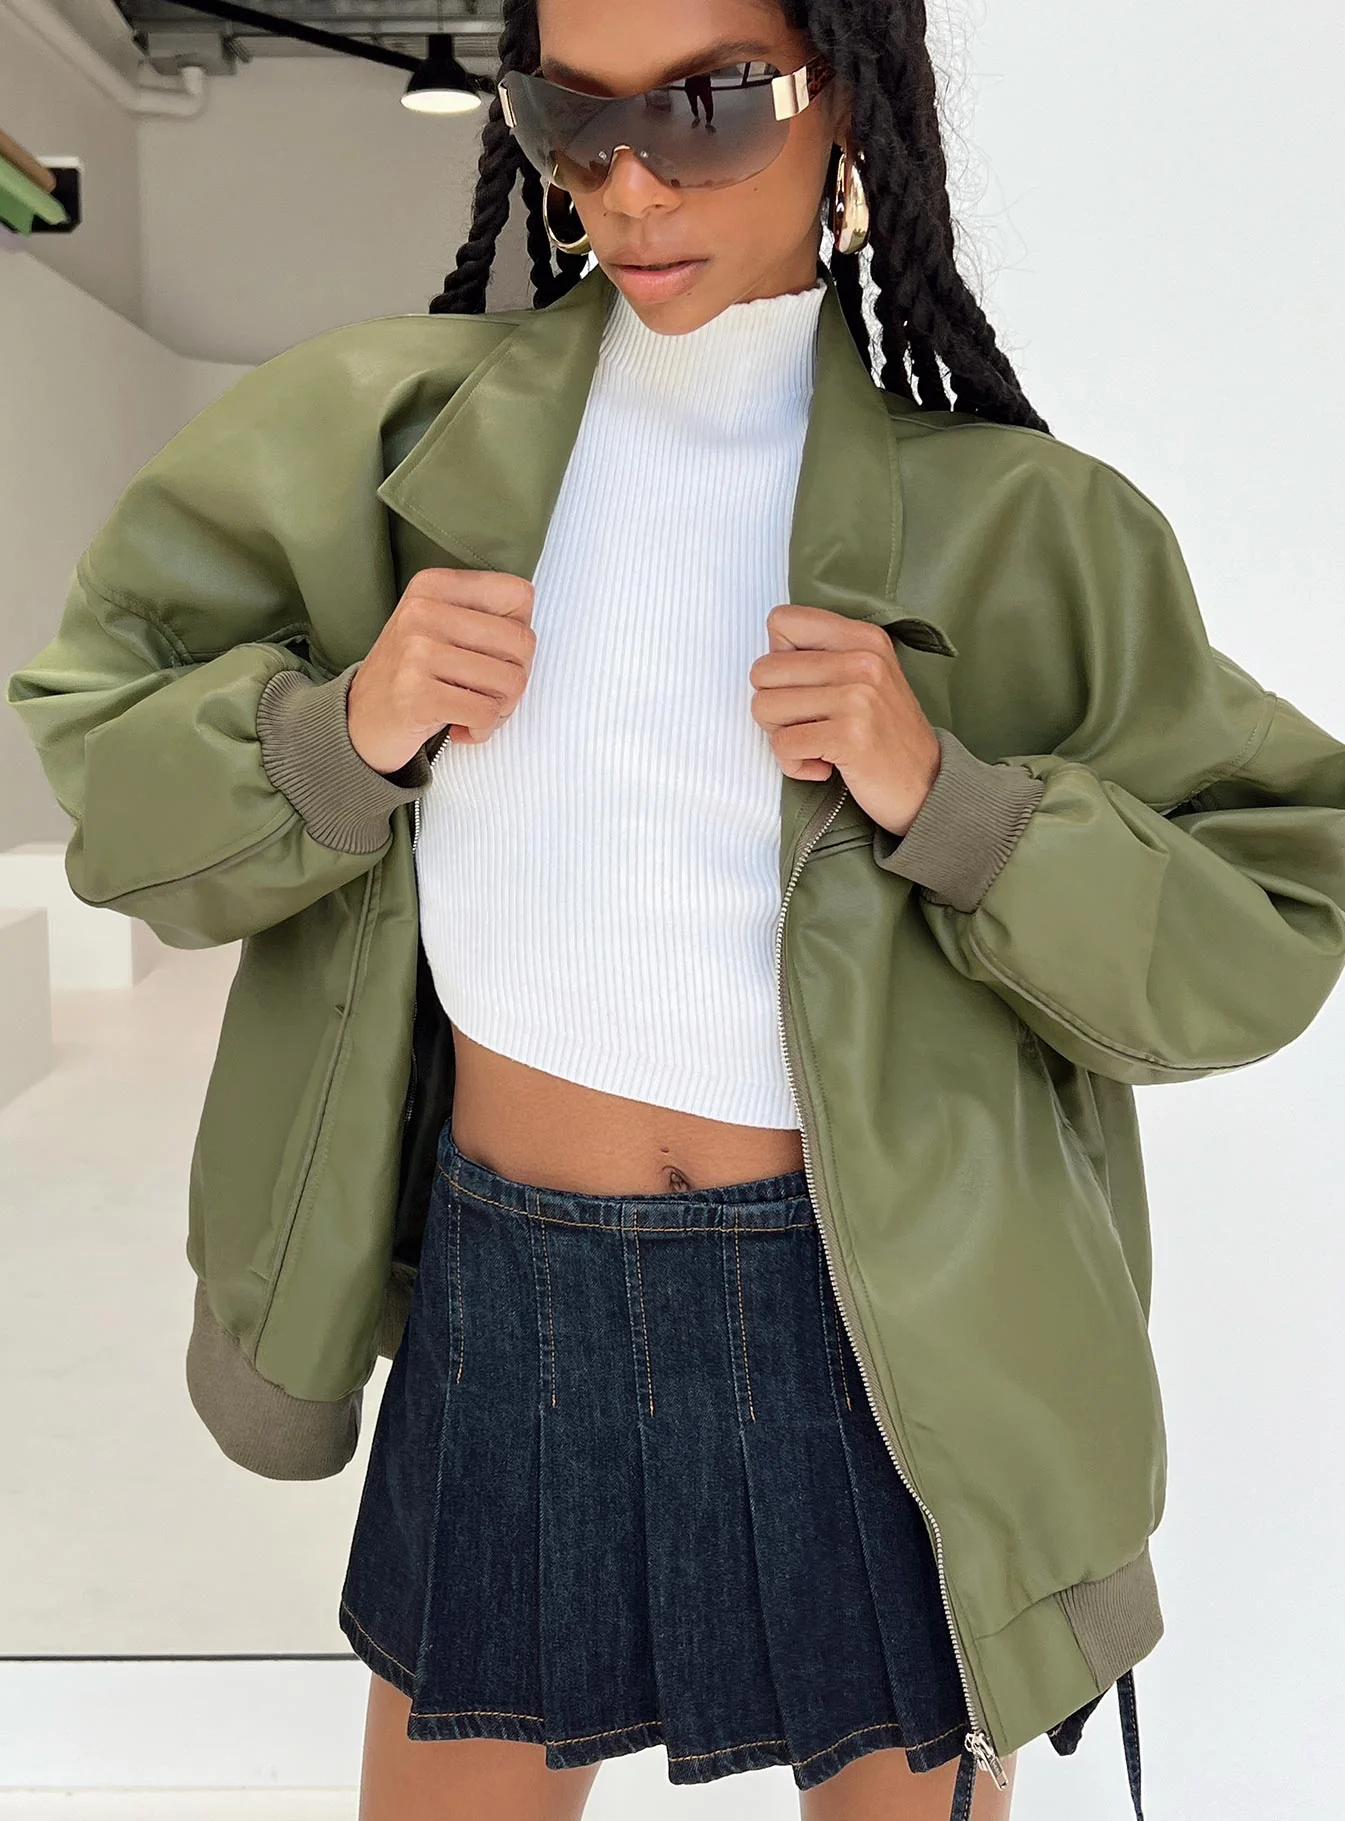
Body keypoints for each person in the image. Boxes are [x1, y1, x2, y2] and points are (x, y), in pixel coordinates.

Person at [10, 2, 1345, 1820]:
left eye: (709, 107)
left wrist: (952, 802)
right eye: (573, 115)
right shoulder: (379, 442)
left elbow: (1272, 905)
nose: (628, 183)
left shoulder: (1028, 529)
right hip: (512, 1300)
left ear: (846, 99)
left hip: (876, 1332)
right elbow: (100, 745)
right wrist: (345, 728)